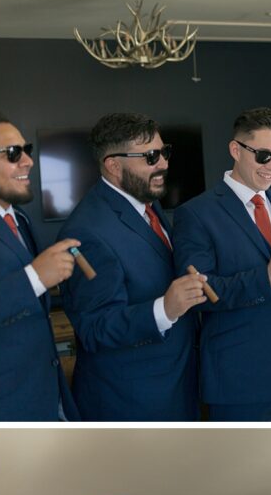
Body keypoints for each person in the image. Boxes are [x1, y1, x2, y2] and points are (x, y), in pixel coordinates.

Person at [173, 107, 271, 421]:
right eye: (264, 155)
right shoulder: (196, 214)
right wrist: (266, 276)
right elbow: (197, 292)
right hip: (238, 378)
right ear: (236, 149)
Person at [58, 112, 203, 421]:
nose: (163, 163)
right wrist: (164, 309)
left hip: (176, 383)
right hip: (131, 402)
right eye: (151, 156)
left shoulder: (147, 203)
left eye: (164, 152)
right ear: (113, 165)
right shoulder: (86, 232)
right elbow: (94, 328)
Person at [0, 111, 79, 421]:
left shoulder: (21, 219)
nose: (28, 161)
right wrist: (34, 278)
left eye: (27, 150)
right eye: (13, 153)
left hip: (45, 397)